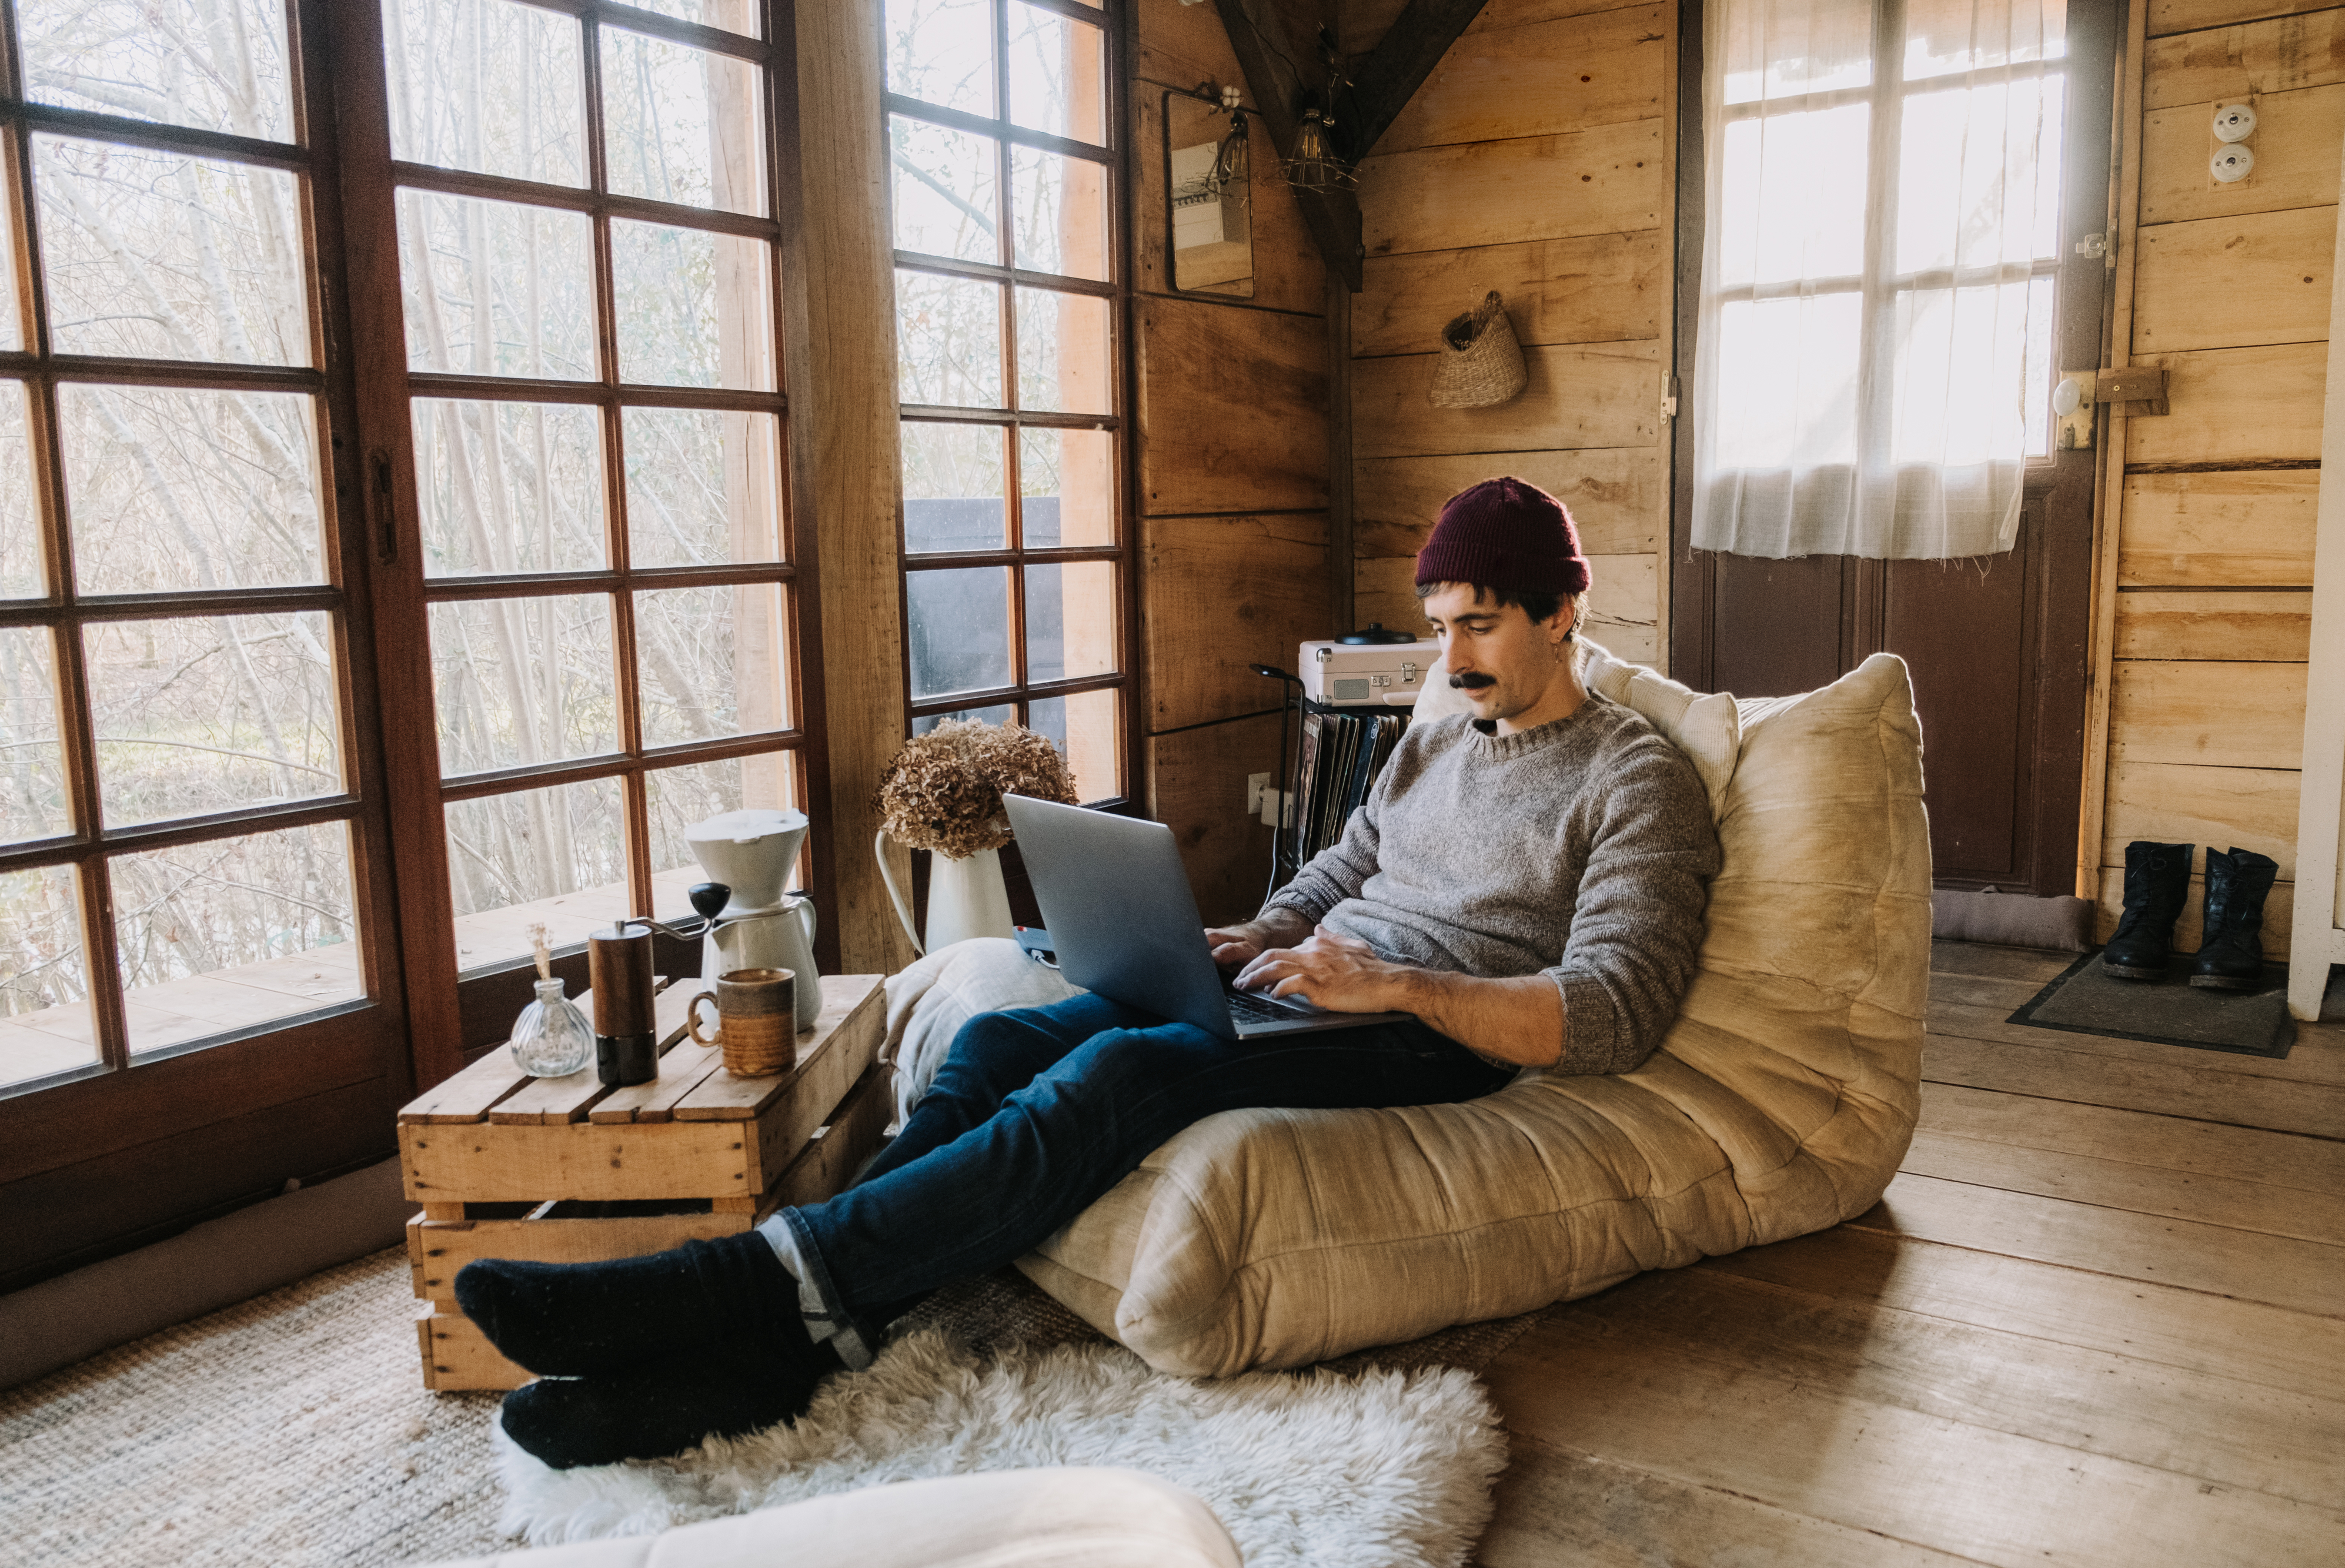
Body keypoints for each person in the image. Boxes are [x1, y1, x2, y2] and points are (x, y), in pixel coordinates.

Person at [458, 476, 1722, 1468]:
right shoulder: (1437, 737)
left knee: (1128, 1067)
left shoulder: (1634, 779)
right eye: (1441, 625)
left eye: (1480, 623)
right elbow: (1346, 863)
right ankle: (807, 1334)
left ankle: (736, 1285)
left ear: (1562, 610)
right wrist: (1245, 934)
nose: (1450, 657)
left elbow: (1611, 1012)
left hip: (1434, 1028)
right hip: (1316, 983)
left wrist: (1388, 985)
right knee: (1002, 1045)